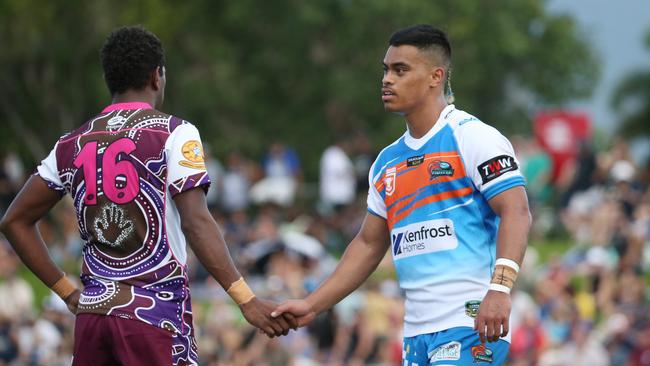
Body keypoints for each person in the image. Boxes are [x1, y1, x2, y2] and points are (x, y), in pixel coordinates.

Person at [0, 26, 294, 366]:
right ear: (157, 76)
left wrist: (66, 292)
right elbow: (196, 223)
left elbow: (14, 221)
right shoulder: (175, 133)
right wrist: (246, 299)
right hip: (154, 316)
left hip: (93, 318)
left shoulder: (71, 143)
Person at [272, 24, 531, 365]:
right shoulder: (385, 163)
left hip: (470, 322)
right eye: (386, 70)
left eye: (400, 70)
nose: (387, 79)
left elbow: (517, 211)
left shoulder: (474, 138)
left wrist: (499, 288)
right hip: (415, 334)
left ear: (435, 77)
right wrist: (312, 303)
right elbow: (367, 244)